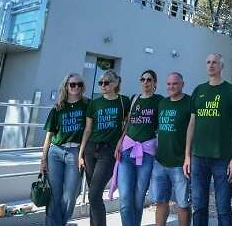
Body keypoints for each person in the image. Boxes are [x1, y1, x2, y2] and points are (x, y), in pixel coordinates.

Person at [184, 53, 232, 226]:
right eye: (208, 62)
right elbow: (191, 125)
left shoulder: (231, 91)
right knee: (199, 207)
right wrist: (187, 156)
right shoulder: (199, 90)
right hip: (198, 158)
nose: (211, 65)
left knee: (223, 208)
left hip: (223, 159)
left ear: (221, 66)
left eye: (215, 62)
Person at [78, 69, 130, 226]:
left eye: (106, 82)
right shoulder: (95, 103)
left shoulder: (124, 101)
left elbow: (127, 124)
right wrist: (80, 154)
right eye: (100, 82)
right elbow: (88, 129)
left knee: (94, 194)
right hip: (90, 150)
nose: (103, 85)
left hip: (109, 151)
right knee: (95, 195)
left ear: (115, 84)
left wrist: (121, 141)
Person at [113, 69, 163, 226]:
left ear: (155, 83)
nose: (145, 82)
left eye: (149, 80)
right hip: (127, 150)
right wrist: (119, 142)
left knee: (138, 198)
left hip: (146, 153)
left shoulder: (159, 100)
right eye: (143, 79)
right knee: (125, 197)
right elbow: (127, 123)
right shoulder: (134, 99)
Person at [42, 73, 88, 226]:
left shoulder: (87, 105)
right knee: (54, 194)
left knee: (70, 194)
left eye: (79, 84)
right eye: (72, 84)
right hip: (55, 152)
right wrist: (43, 159)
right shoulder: (58, 108)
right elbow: (49, 136)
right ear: (66, 86)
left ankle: (59, 223)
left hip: (74, 152)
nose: (76, 87)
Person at [152, 72, 192, 226]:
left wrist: (189, 157)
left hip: (180, 163)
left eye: (175, 83)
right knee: (161, 202)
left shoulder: (189, 103)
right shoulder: (162, 103)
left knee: (183, 204)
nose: (171, 86)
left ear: (182, 84)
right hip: (160, 162)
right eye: (168, 84)